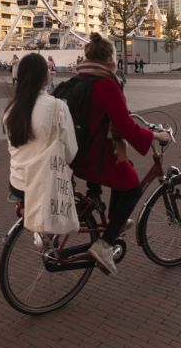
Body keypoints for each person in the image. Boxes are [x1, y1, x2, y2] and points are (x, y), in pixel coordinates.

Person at [69, 33, 170, 275]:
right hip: (96, 157)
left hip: (77, 156)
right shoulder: (106, 83)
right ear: (110, 59)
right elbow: (124, 127)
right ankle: (105, 245)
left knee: (126, 168)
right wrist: (154, 136)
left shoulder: (78, 80)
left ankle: (115, 219)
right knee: (133, 186)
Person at [4, 54, 79, 238]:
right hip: (44, 184)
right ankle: (49, 229)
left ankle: (30, 216)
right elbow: (71, 152)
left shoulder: (10, 110)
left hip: (17, 182)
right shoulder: (57, 107)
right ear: (45, 77)